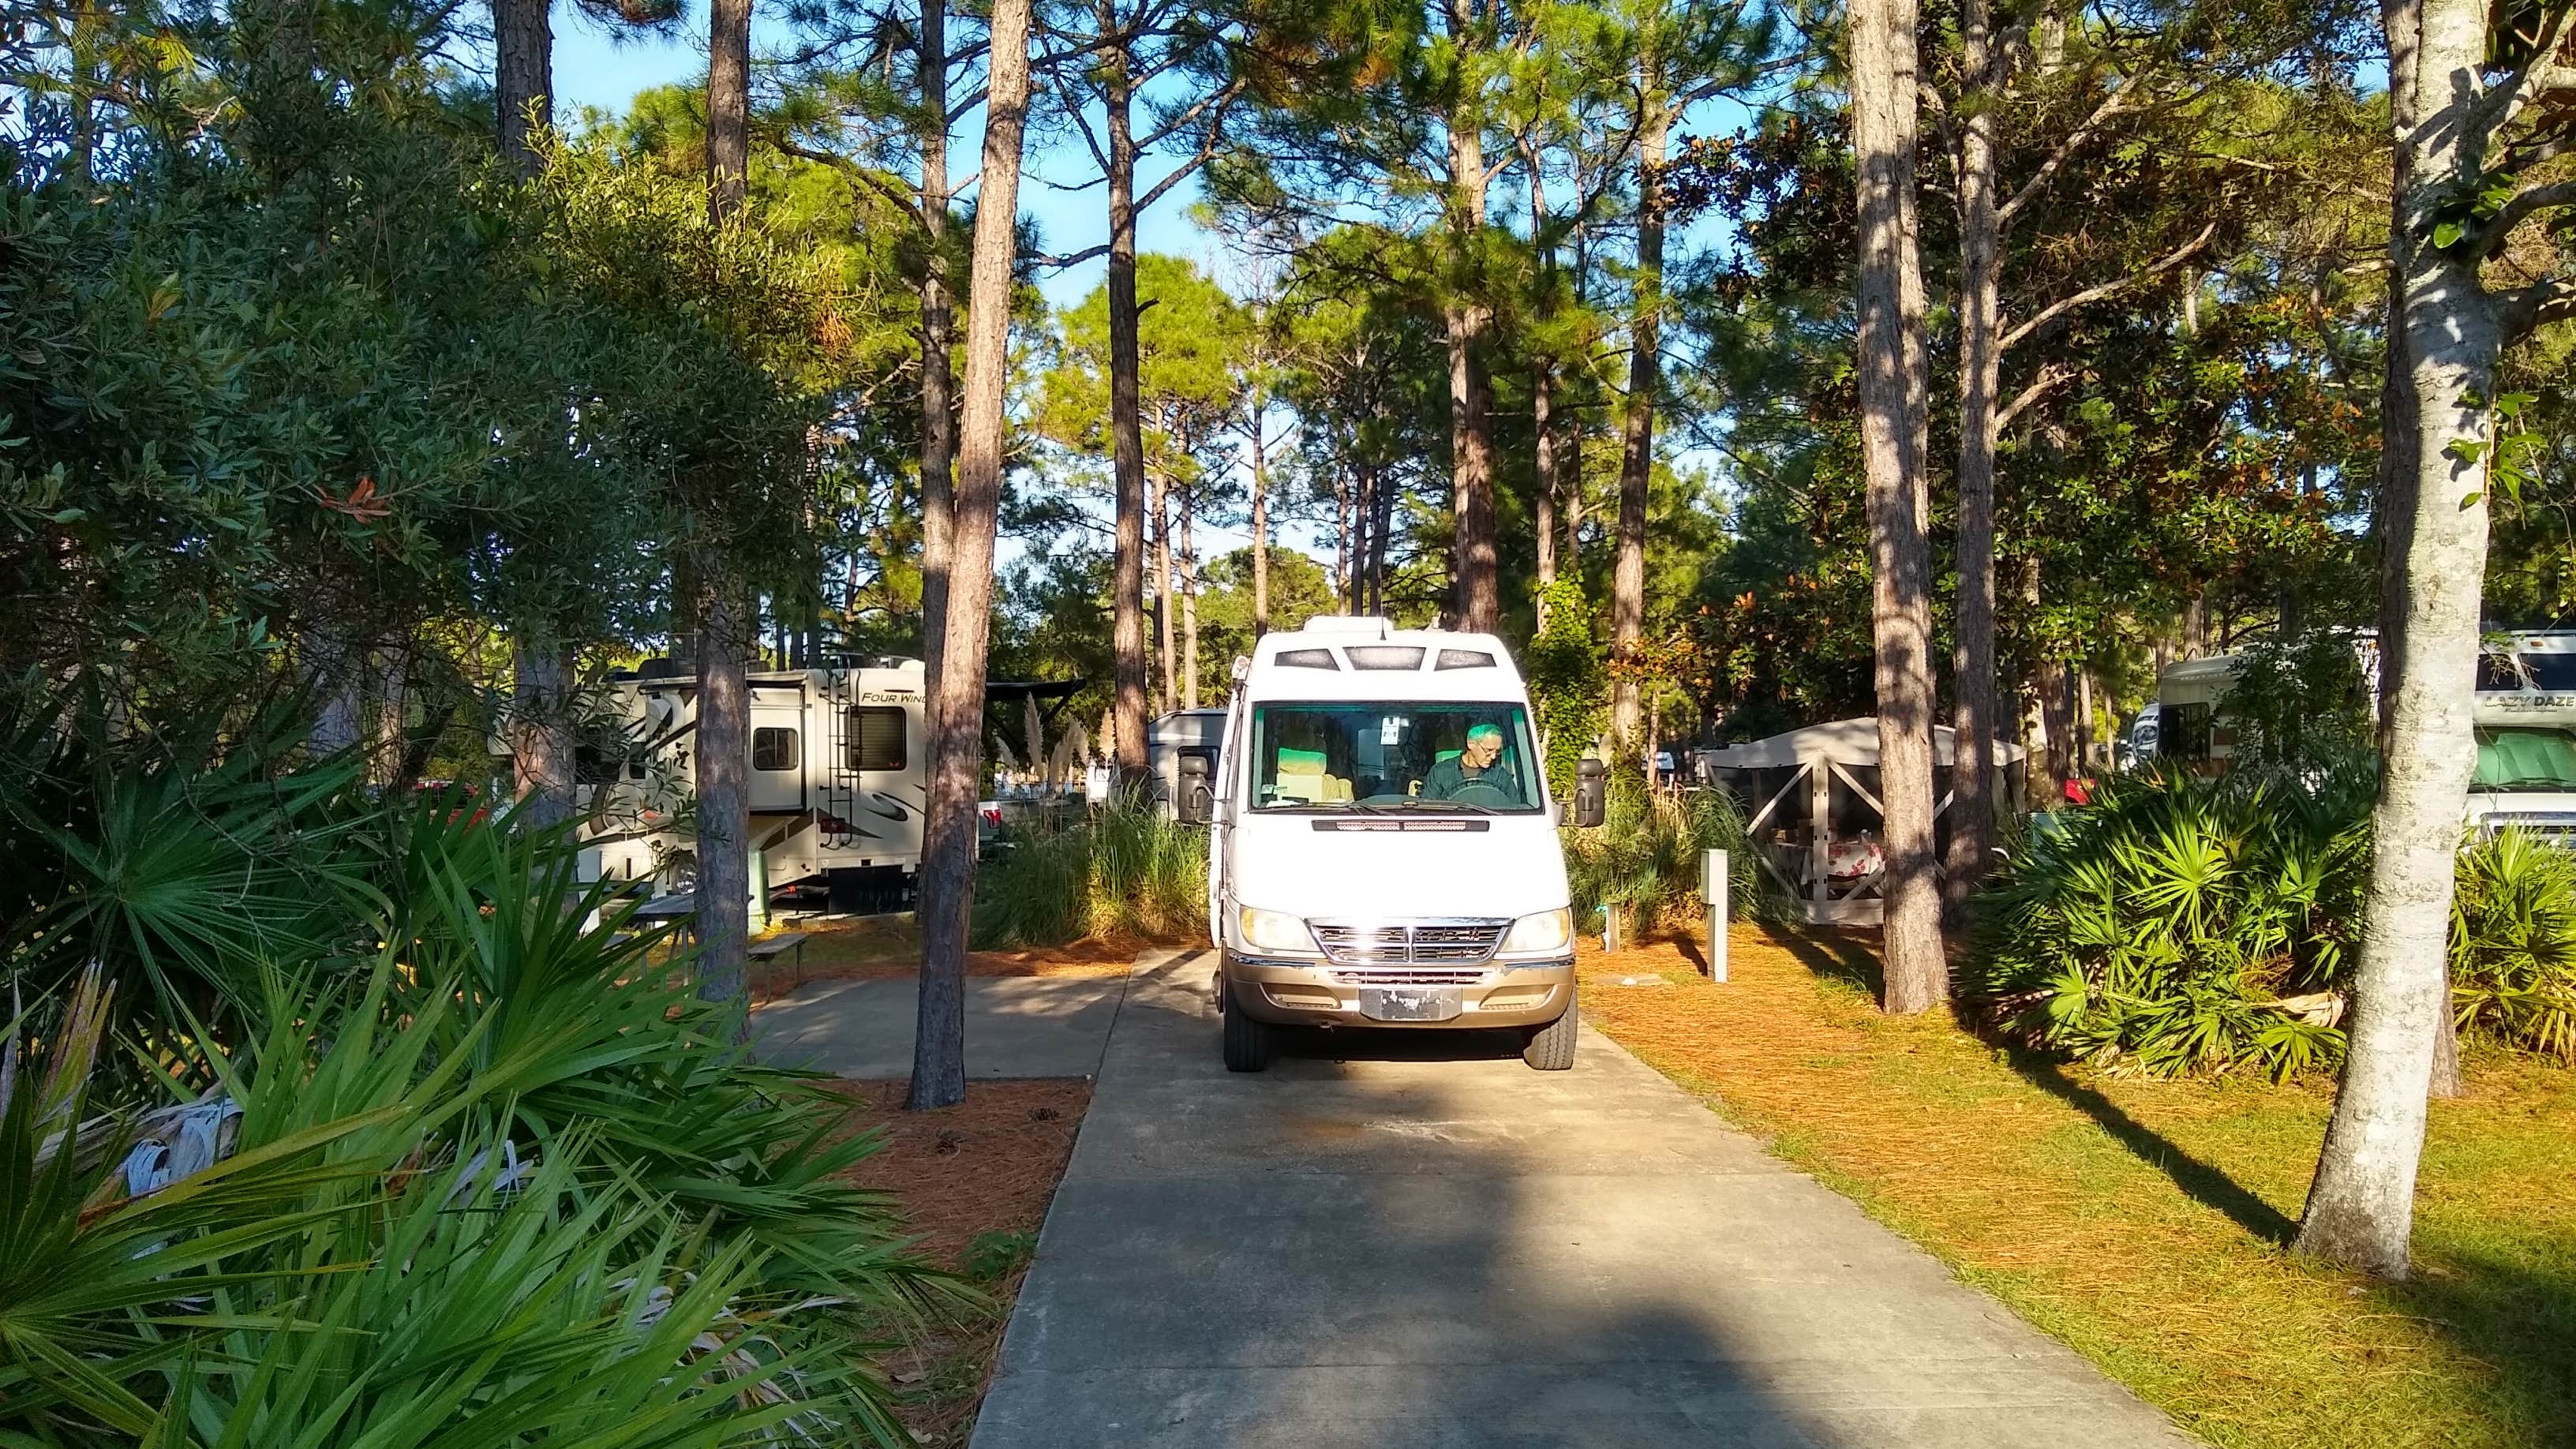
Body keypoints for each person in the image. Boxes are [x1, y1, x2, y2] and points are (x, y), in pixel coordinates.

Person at [1421, 723, 1508, 799]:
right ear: (1471, 743)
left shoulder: (1501, 776)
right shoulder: (1440, 772)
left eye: (1497, 751)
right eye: (1488, 750)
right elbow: (1428, 811)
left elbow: (1513, 810)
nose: (1493, 756)